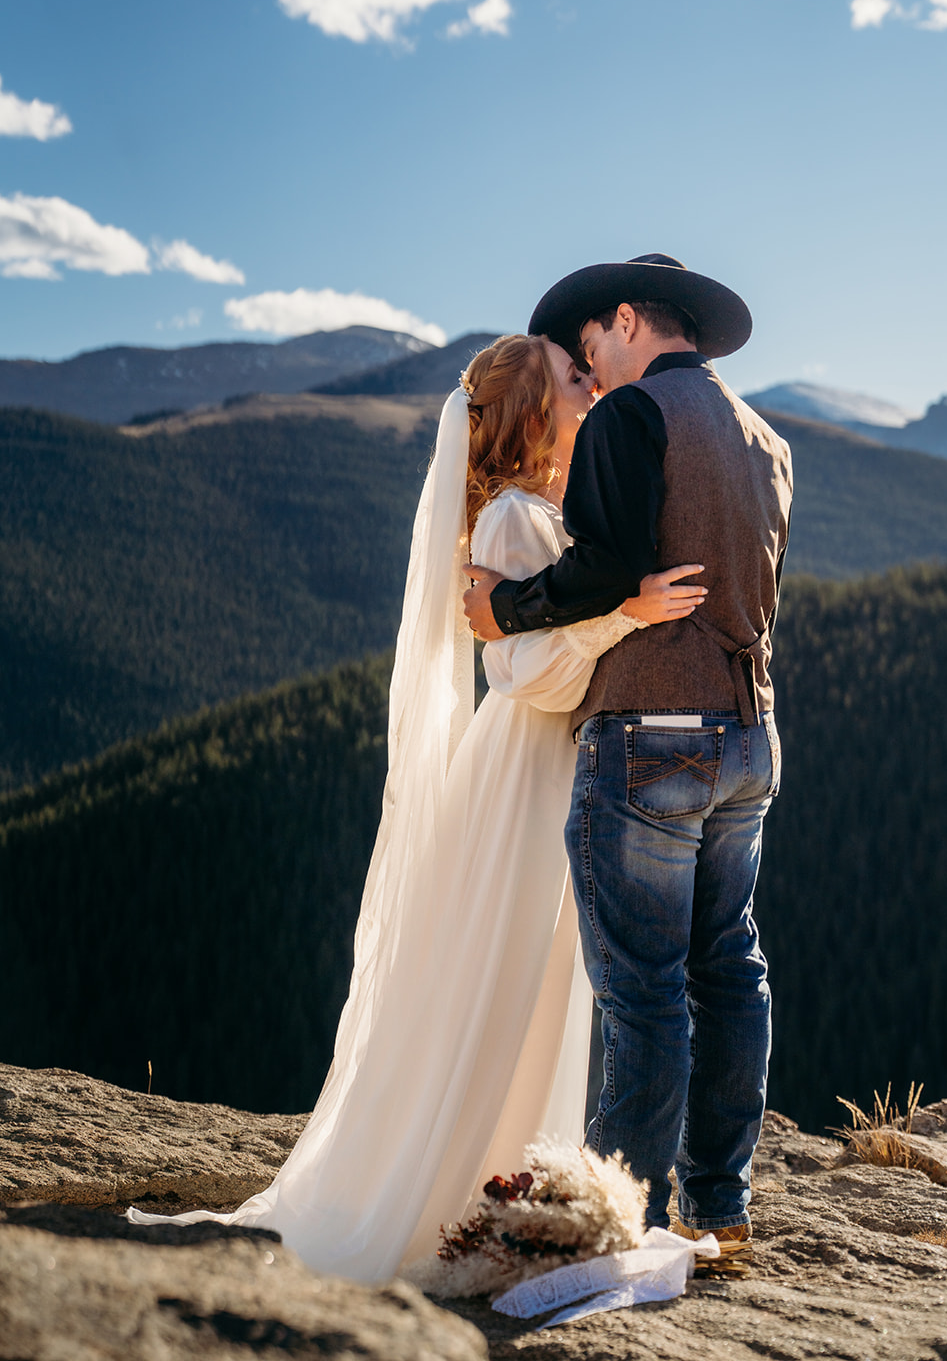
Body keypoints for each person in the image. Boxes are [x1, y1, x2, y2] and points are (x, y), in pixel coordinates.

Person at [127, 331, 704, 1281]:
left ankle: (496, 1199)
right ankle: (462, 1204)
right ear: (528, 410)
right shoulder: (514, 519)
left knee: (531, 988)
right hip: (526, 775)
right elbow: (530, 677)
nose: (590, 384)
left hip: (545, 772)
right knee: (512, 985)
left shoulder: (541, 509)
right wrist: (626, 614)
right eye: (571, 376)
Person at [463, 254, 793, 1252]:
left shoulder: (626, 416)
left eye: (589, 347)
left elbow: (606, 567)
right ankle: (719, 1208)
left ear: (620, 322)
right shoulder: (767, 438)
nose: (587, 368)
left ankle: (608, 1222)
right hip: (749, 733)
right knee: (729, 968)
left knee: (643, 991)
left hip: (648, 732)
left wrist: (504, 606)